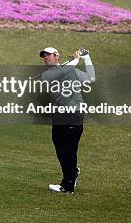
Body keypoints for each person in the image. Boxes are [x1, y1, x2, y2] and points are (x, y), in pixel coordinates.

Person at [39, 47, 96, 194]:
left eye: (48, 55)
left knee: (68, 150)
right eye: (44, 56)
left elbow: (91, 78)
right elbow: (60, 73)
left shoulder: (72, 71)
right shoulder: (48, 74)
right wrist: (76, 60)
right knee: (60, 148)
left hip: (73, 113)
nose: (46, 58)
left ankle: (68, 185)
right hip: (58, 116)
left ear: (57, 56)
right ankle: (72, 172)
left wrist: (86, 59)